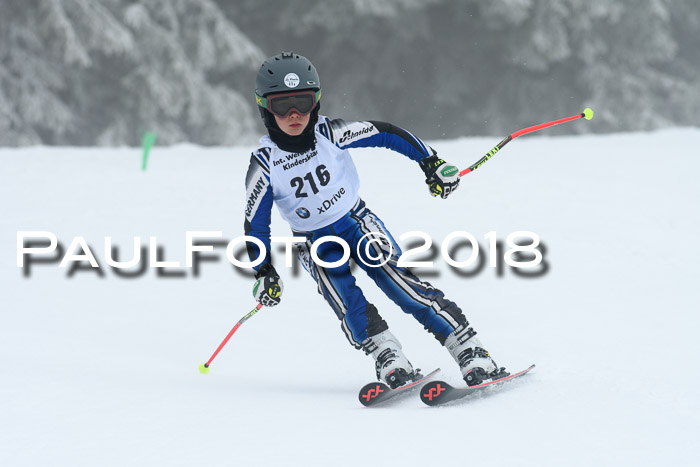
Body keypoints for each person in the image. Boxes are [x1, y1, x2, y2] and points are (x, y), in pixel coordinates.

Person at [244, 51, 507, 388]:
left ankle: (467, 346)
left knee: (398, 282)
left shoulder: (332, 133)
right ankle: (386, 354)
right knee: (344, 299)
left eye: (303, 102)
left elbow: (387, 133)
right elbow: (256, 225)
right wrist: (264, 271)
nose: (294, 114)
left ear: (317, 102)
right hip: (314, 242)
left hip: (357, 222)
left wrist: (430, 162)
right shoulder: (265, 163)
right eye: (282, 105)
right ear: (265, 108)